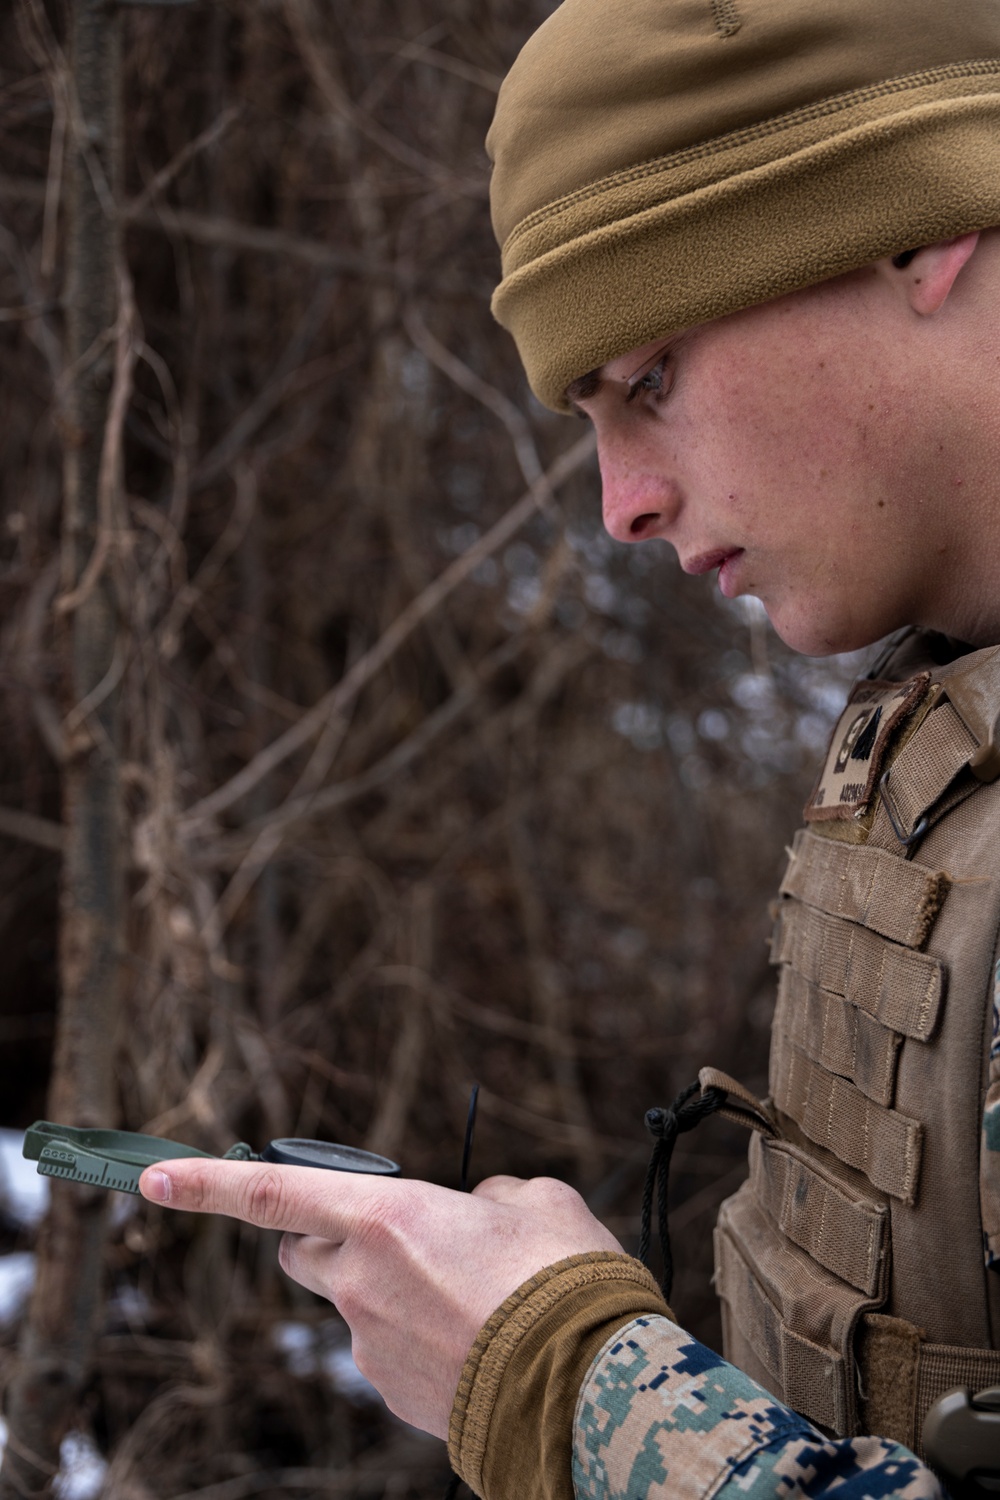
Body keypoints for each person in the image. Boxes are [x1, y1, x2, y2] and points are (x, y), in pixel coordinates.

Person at [140, 0, 1000, 1494]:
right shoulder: (940, 710)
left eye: (649, 379)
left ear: (921, 231)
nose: (620, 507)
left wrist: (568, 1388)